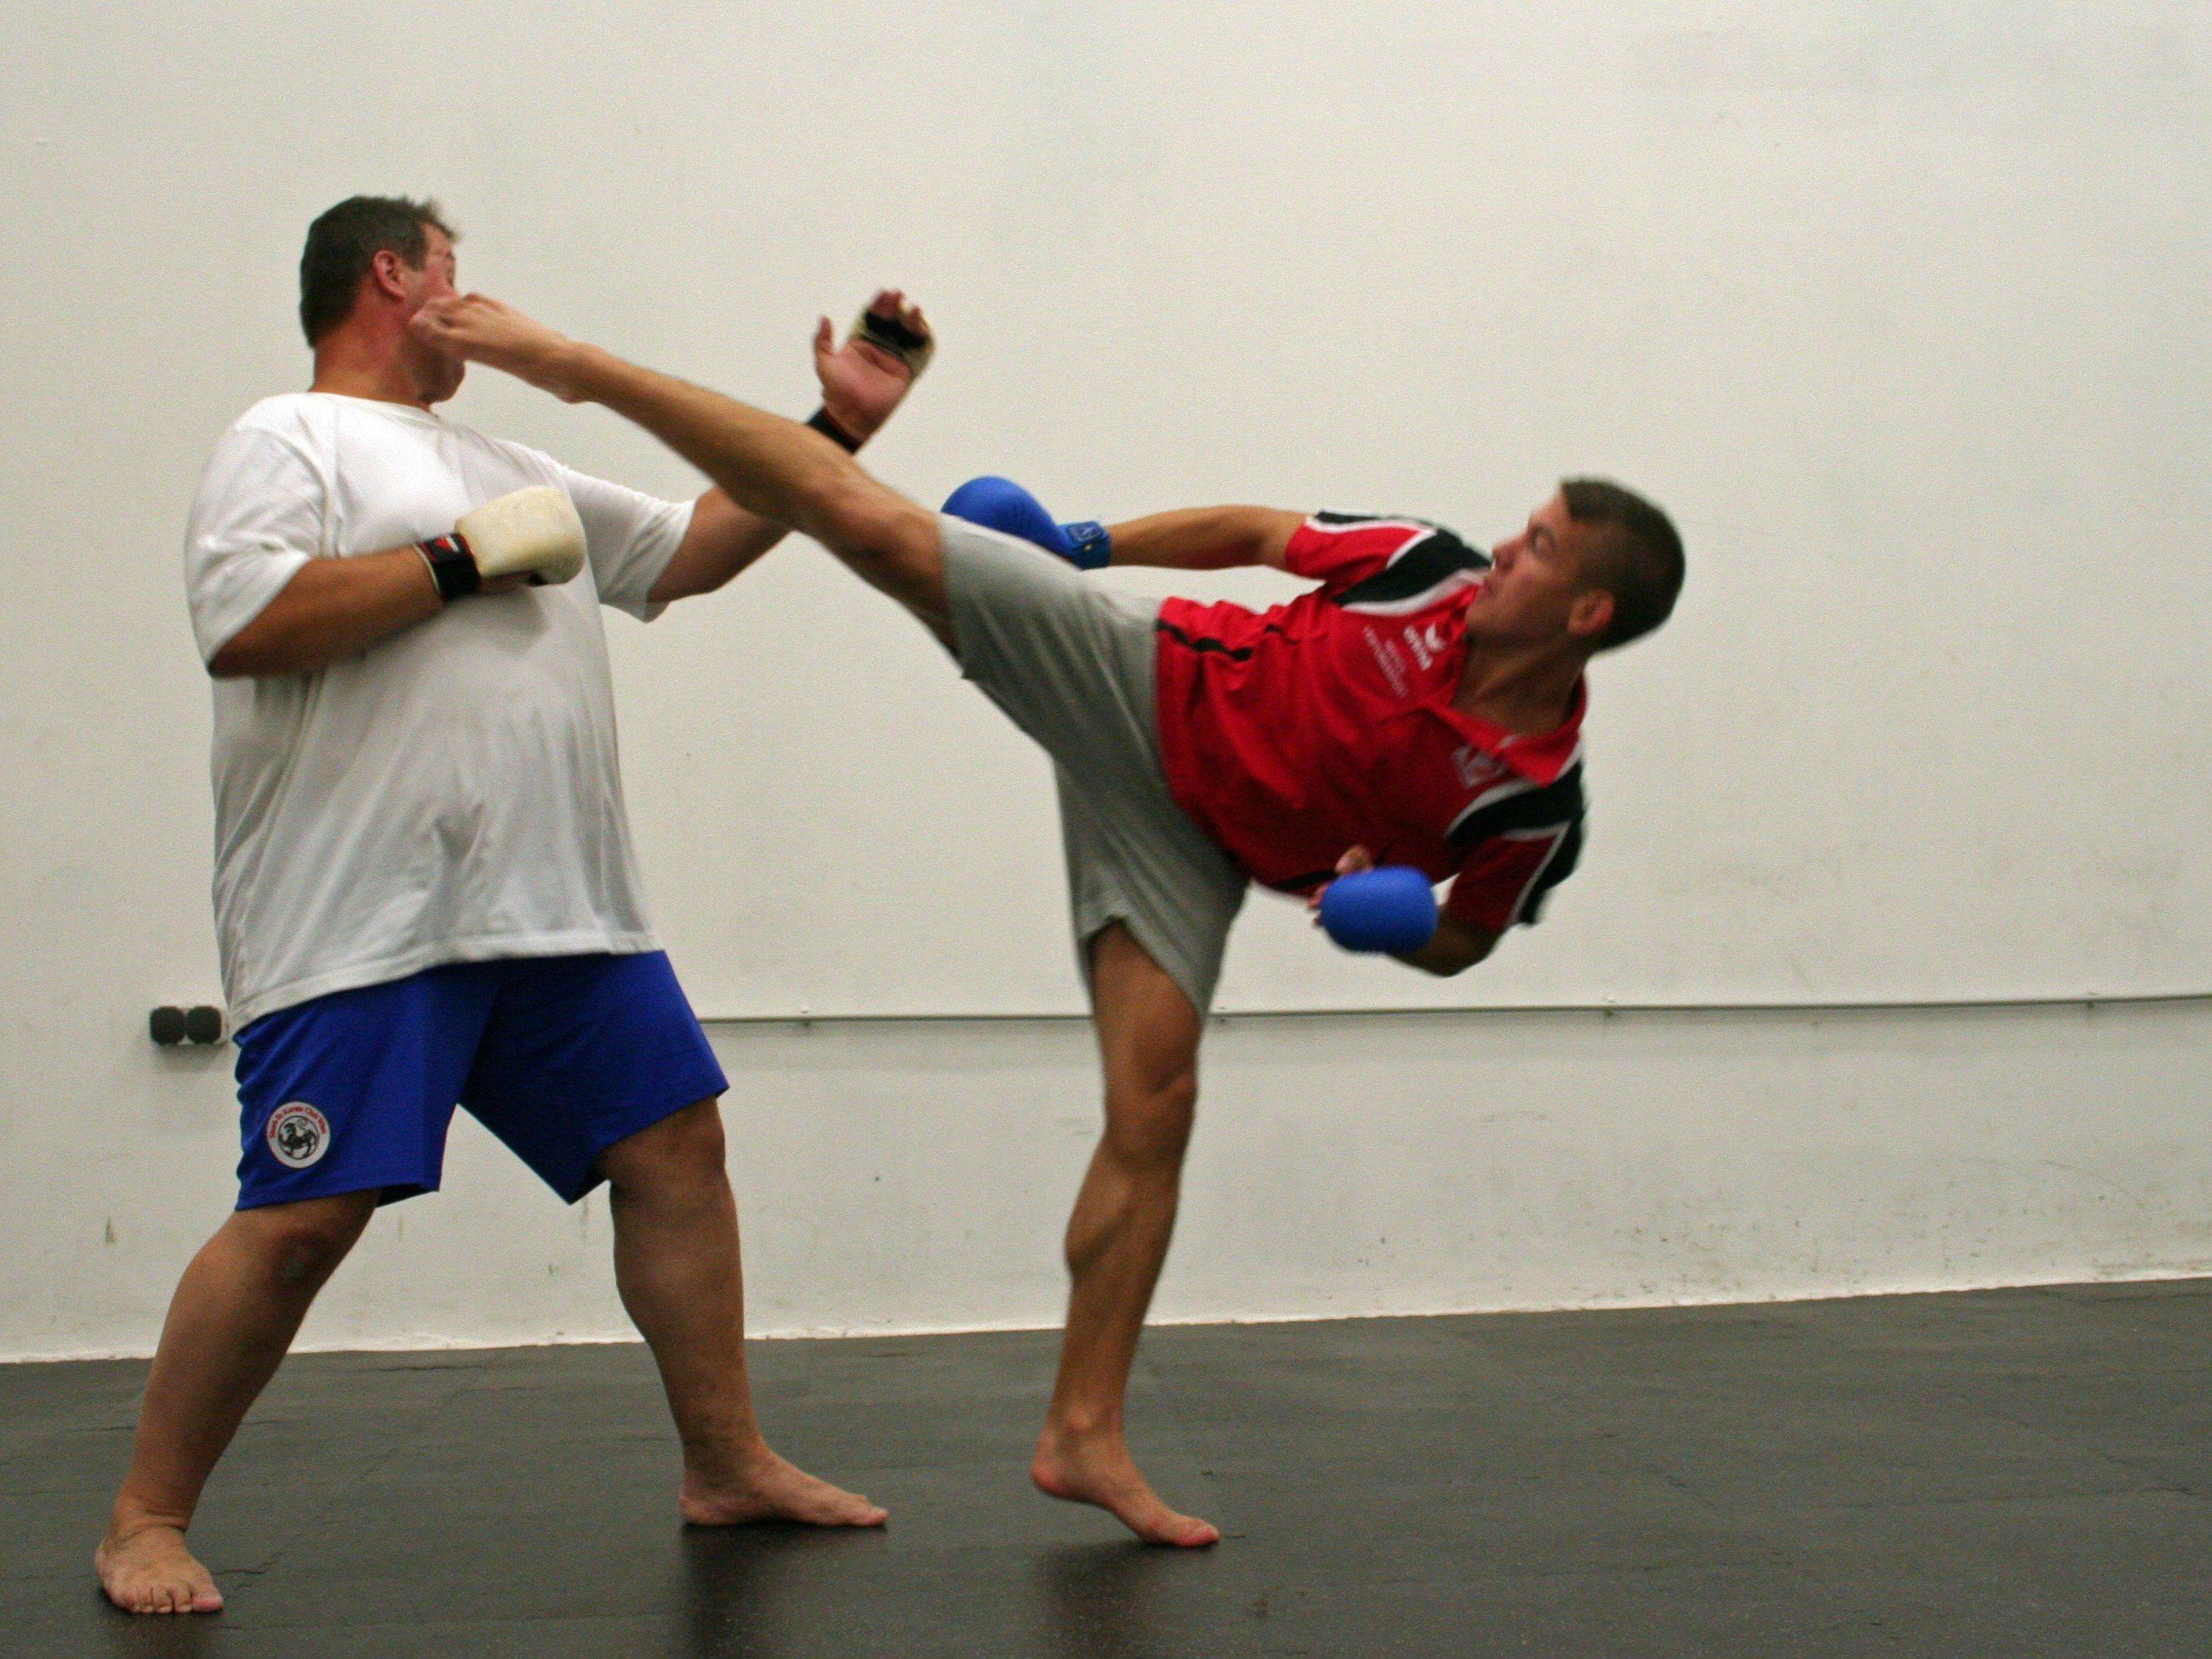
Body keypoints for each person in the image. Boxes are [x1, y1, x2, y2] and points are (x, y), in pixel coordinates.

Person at [410, 289, 1684, 1549]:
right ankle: (577, 363)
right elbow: (1254, 530)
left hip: (1189, 851)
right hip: (1136, 679)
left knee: (1157, 1105)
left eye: (1541, 550)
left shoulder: (1530, 804)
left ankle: (1083, 1434)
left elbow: (1471, 936)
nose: (1504, 550)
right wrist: (1083, 548)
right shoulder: (1425, 568)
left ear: (1588, 618)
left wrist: (1397, 921)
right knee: (870, 526)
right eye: (1522, 530)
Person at [96, 197, 936, 1616]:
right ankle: (143, 1520)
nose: (472, 302)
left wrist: (836, 425)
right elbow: (243, 629)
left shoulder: (507, 459)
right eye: (453, 272)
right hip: (360, 920)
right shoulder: (284, 438)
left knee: (678, 1151)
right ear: (394, 275)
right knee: (303, 1220)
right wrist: (460, 559)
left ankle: (725, 1464)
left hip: (561, 915)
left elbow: (696, 549)